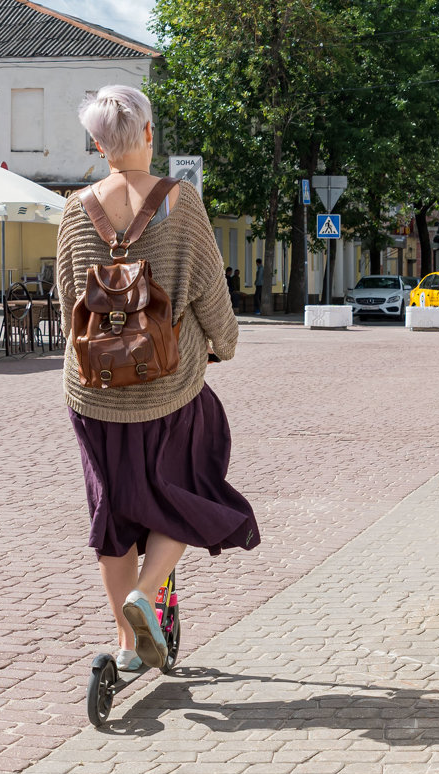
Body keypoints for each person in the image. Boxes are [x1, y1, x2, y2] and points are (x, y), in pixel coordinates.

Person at [58, 85, 260, 672]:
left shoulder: (75, 209)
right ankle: (147, 595)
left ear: (98, 145)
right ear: (149, 133)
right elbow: (209, 293)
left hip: (94, 392)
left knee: (112, 513)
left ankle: (125, 647)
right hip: (168, 386)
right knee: (188, 489)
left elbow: (69, 297)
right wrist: (225, 345)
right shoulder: (180, 201)